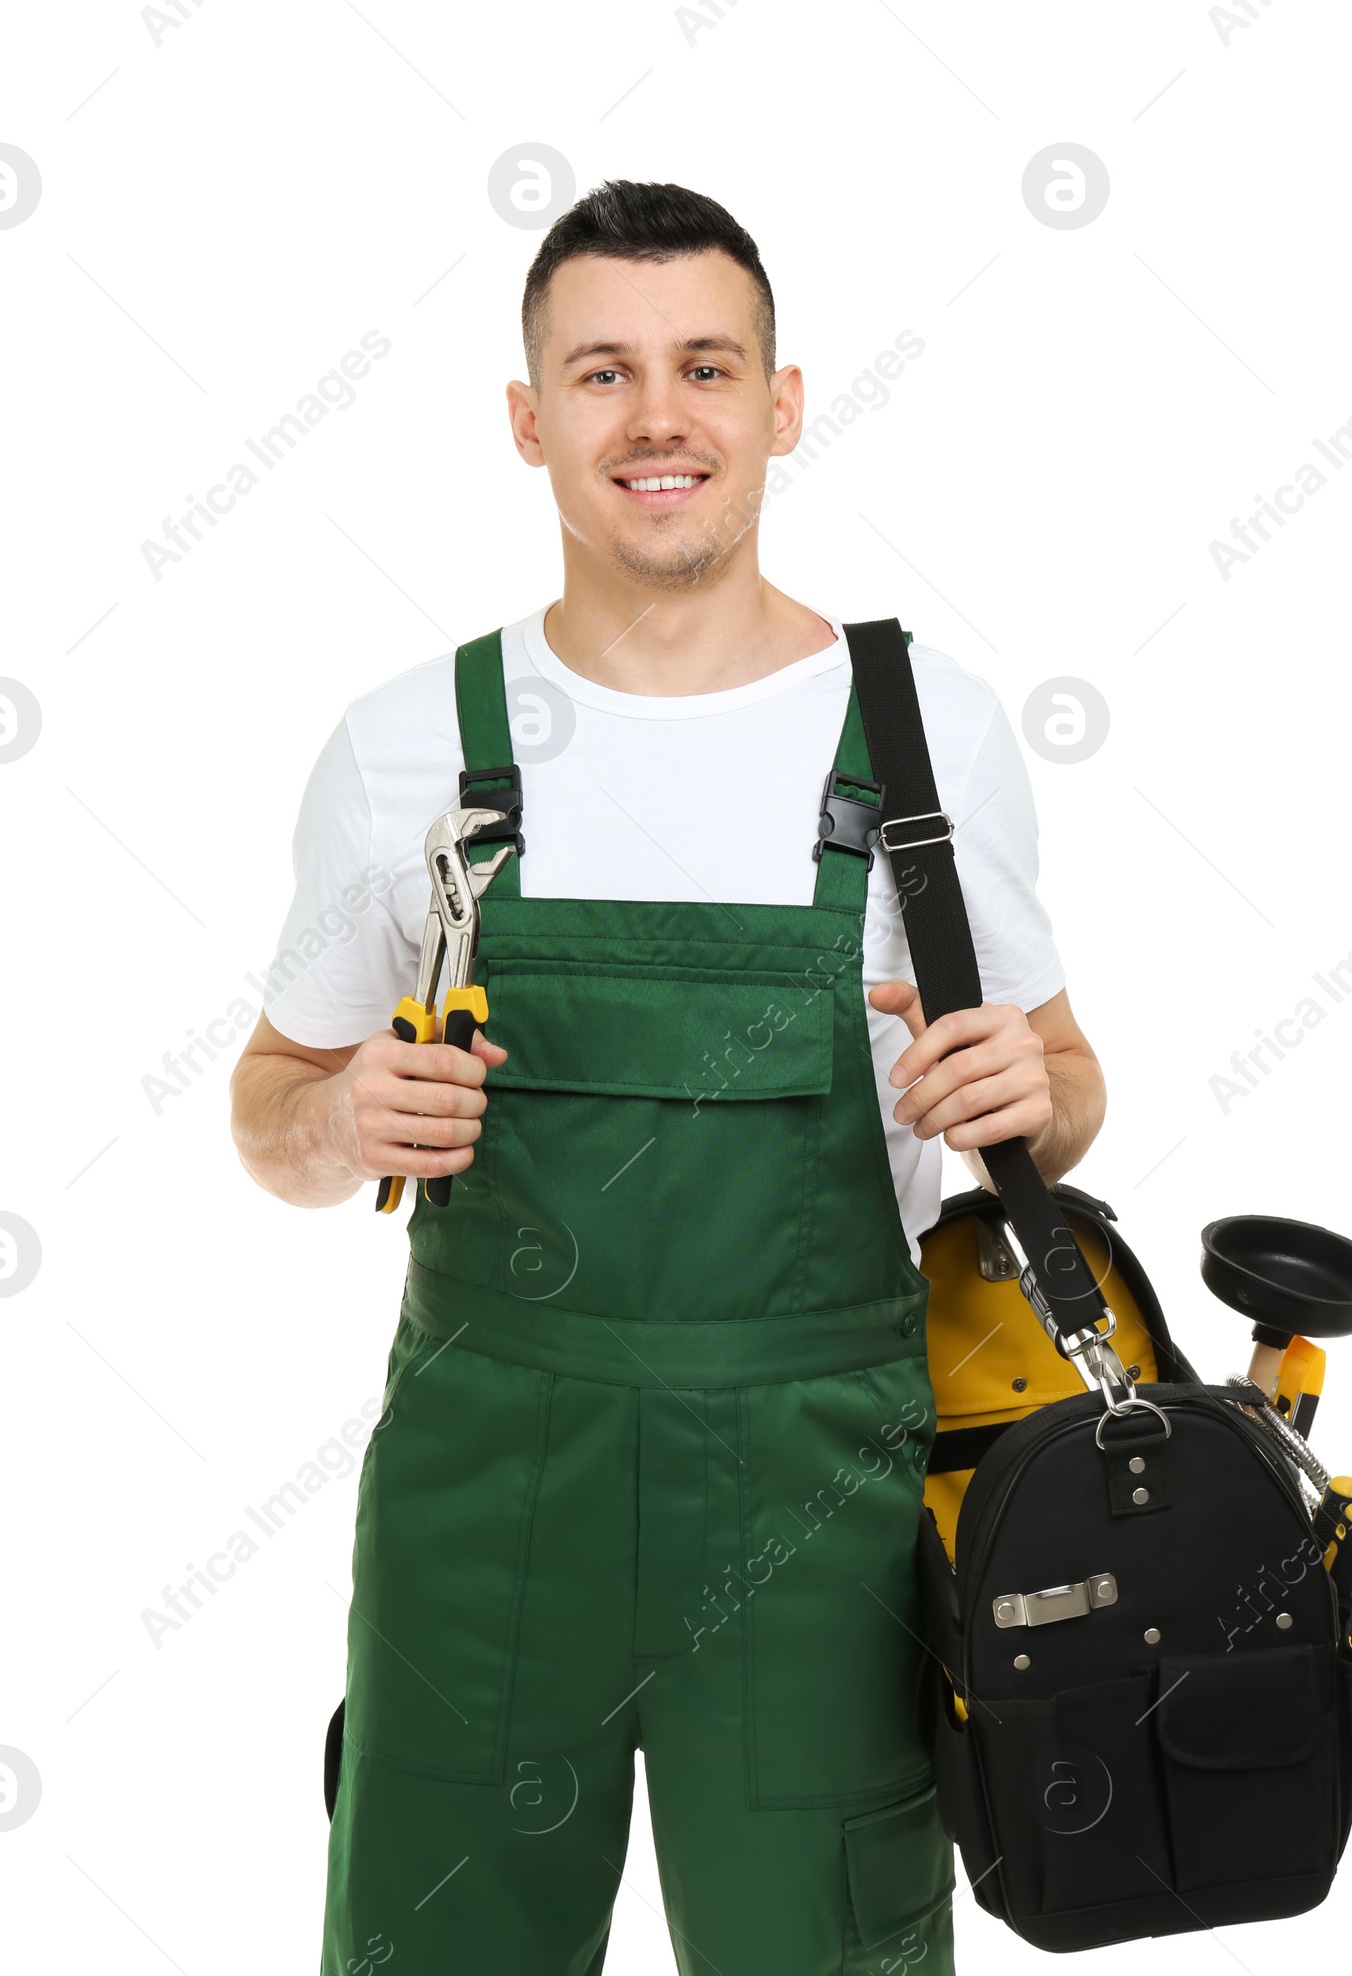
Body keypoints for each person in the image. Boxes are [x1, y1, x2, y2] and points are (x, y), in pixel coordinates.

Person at [229, 177, 1105, 1976]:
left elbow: (1070, 1080)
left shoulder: (921, 729)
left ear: (782, 404)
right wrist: (331, 1119)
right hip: (487, 1500)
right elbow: (273, 1104)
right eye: (603, 372)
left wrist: (1032, 1085)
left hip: (817, 1503)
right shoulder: (412, 746)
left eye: (707, 367)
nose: (659, 418)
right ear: (530, 418)